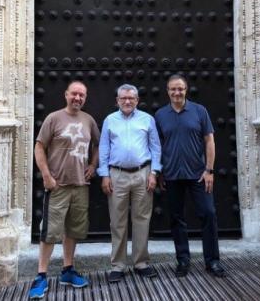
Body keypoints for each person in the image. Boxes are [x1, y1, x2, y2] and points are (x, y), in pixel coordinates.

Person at [29, 81, 100, 299]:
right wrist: (47, 176)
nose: (77, 98)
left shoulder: (89, 120)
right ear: (66, 94)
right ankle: (41, 275)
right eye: (74, 94)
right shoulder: (54, 118)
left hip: (80, 185)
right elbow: (39, 146)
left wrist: (93, 165)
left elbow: (98, 145)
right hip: (58, 185)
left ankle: (68, 270)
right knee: (50, 231)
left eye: (82, 95)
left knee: (73, 230)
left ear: (85, 98)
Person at [154, 74, 226, 278]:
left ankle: (212, 261)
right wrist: (159, 172)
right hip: (172, 174)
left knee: (208, 214)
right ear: (167, 91)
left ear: (186, 90)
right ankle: (183, 260)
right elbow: (157, 145)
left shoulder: (199, 111)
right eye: (173, 89)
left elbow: (209, 141)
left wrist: (209, 170)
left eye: (180, 89)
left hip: (198, 175)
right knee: (177, 218)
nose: (177, 92)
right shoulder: (160, 115)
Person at [98, 84, 162, 282]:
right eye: (123, 98)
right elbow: (103, 149)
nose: (127, 101)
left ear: (137, 100)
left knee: (142, 219)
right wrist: (104, 175)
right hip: (117, 175)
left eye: (131, 98)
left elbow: (155, 148)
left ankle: (141, 263)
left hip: (143, 174)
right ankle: (118, 265)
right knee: (117, 222)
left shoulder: (147, 119)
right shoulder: (110, 120)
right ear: (117, 100)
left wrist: (154, 173)